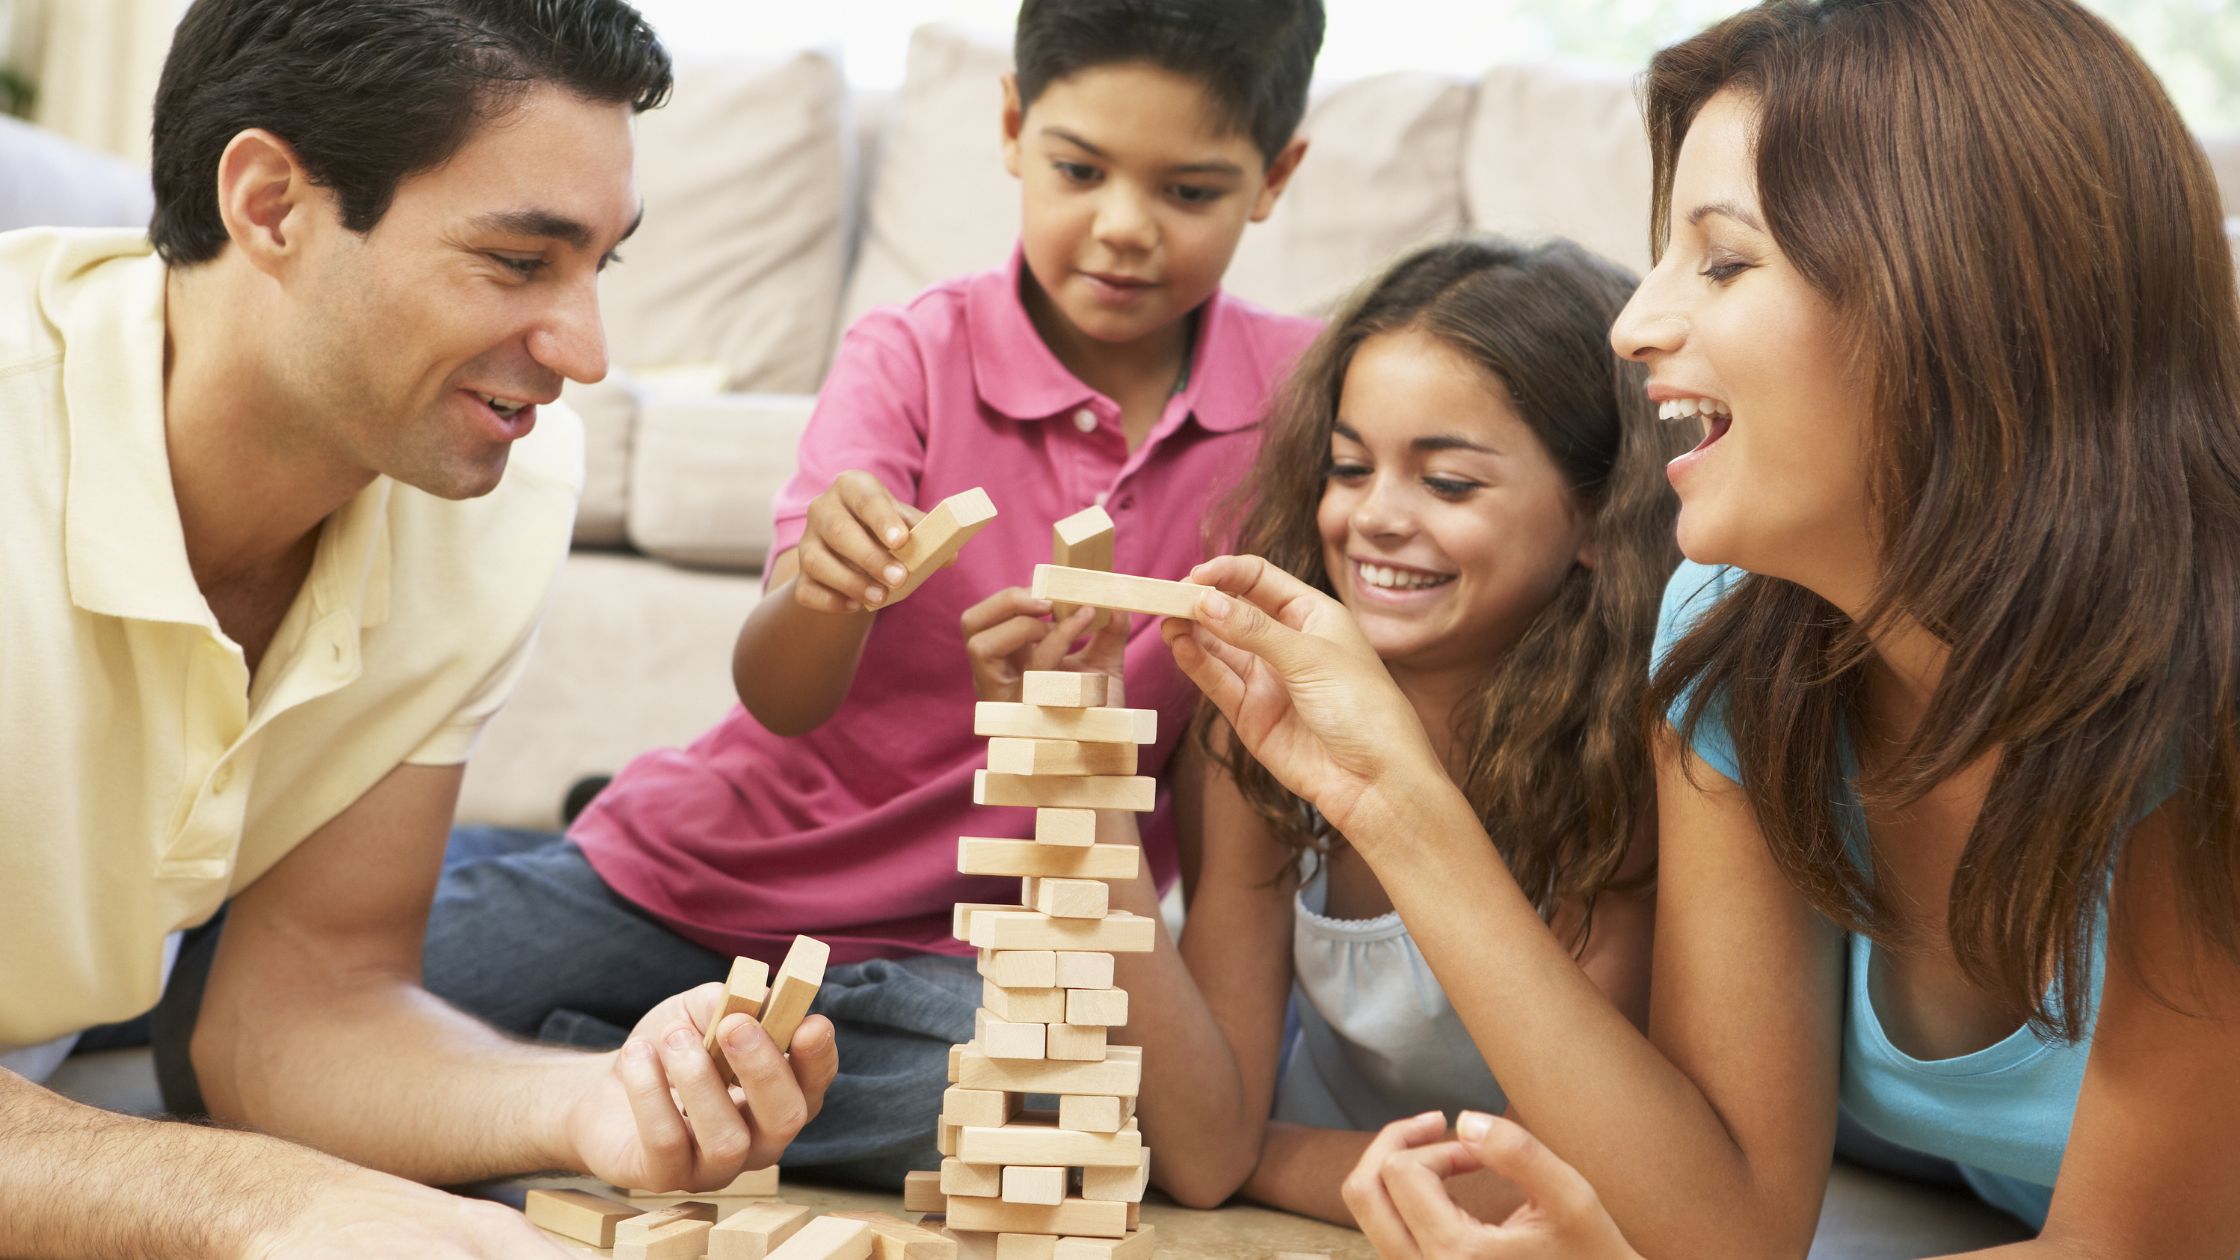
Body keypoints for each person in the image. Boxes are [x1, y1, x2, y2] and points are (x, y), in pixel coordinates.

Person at [1155, 0, 2240, 1255]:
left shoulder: (2203, 677)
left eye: (1721, 263)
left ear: (1954, 297)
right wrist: (1392, 800)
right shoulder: (1734, 634)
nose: (1634, 328)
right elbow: (1722, 1219)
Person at [410, 0, 1325, 1186]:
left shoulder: (1297, 403)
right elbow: (780, 696)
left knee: (1057, 1120)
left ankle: (606, 1067)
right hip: (706, 881)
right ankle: (626, 1038)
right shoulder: (909, 355)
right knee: (319, 1004)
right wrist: (827, 596)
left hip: (973, 958)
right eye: (1077, 169)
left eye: (1188, 192)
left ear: (1274, 176)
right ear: (1009, 125)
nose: (1121, 228)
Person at [0, 3, 835, 1256]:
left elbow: (300, 1005)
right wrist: (278, 1201)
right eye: (515, 260)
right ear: (271, 203)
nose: (585, 354)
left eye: (596, 266)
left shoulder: (488, 496)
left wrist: (589, 1101)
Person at [1025, 236, 1683, 1223]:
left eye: (1447, 482)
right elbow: (1202, 1153)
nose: (1373, 516)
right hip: (1318, 1143)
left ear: (1595, 521)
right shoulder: (1259, 731)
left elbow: (1542, 1184)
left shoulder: (1628, 770)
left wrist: (1265, 1157)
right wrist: (1088, 787)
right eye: (1346, 466)